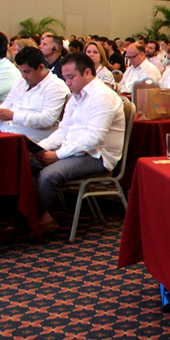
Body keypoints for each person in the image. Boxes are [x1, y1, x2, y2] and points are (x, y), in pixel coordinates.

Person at [31, 53, 125, 233]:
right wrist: (41, 148)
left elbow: (94, 138)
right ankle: (40, 219)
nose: (67, 82)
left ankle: (29, 223)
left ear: (87, 73)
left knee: (49, 175)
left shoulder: (102, 96)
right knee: (23, 161)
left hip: (97, 156)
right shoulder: (75, 96)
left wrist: (57, 155)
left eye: (71, 77)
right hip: (74, 150)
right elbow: (63, 131)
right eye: (65, 77)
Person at [0, 47, 68, 141]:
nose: (23, 76)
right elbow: (7, 104)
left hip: (31, 141)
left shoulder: (56, 86)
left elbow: (47, 119)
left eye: (27, 72)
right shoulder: (20, 83)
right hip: (5, 132)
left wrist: (13, 116)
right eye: (21, 71)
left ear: (41, 68)